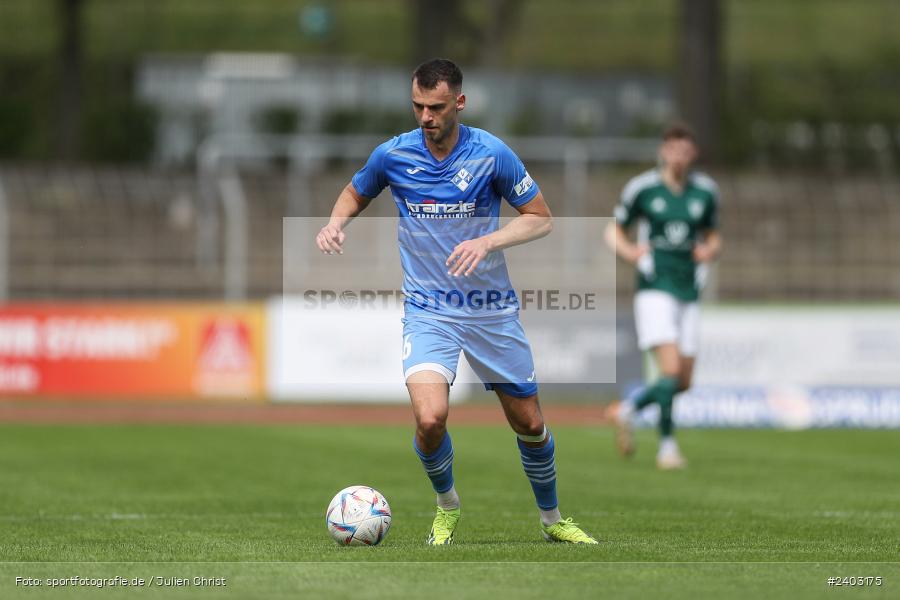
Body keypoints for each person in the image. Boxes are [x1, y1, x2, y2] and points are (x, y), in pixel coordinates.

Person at [316, 58, 596, 545]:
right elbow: (354, 191)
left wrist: (489, 241)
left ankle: (553, 522)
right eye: (418, 106)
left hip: (490, 310)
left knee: (529, 423)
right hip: (429, 311)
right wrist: (335, 222)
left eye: (436, 107)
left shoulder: (492, 154)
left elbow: (540, 217)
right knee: (429, 418)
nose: (426, 116)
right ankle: (447, 508)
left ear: (459, 103)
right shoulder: (393, 155)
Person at [604, 123, 722, 470]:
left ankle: (626, 410)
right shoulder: (643, 188)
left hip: (689, 289)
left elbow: (714, 237)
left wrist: (709, 251)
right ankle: (667, 448)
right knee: (669, 370)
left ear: (693, 154)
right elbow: (613, 230)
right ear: (663, 151)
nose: (679, 156)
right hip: (655, 290)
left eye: (685, 150)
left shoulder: (705, 191)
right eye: (673, 149)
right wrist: (631, 253)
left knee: (682, 381)